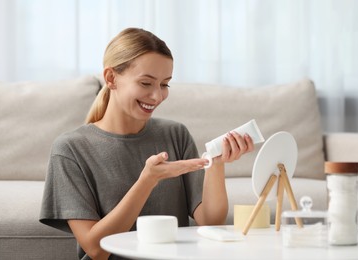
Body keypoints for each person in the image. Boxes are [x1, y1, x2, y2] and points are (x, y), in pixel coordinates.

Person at [39, 27, 254, 260]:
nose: (157, 96)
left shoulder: (175, 134)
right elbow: (96, 249)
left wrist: (218, 164)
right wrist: (147, 180)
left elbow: (210, 221)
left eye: (165, 84)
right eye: (145, 83)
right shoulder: (70, 149)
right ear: (111, 78)